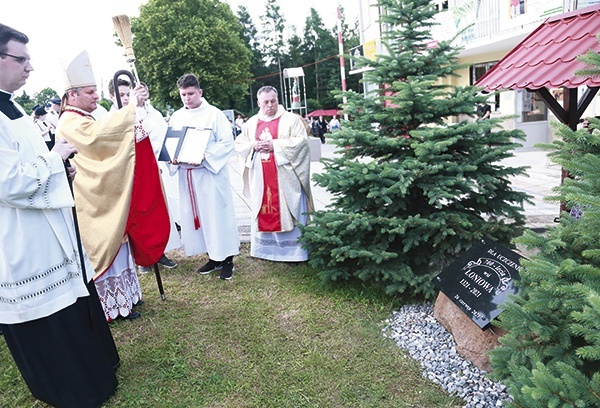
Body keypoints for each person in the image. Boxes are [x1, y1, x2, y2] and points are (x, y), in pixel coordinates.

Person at [0, 23, 119, 407]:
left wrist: (58, 167)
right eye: (22, 59)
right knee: (49, 318)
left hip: (47, 224)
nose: (30, 68)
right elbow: (8, 182)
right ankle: (69, 390)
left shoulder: (12, 104)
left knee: (69, 306)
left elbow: (30, 160)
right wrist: (56, 159)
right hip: (21, 237)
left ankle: (93, 374)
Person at [56, 51, 170, 321]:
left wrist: (133, 113)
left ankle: (127, 299)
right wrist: (131, 110)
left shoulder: (82, 117)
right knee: (108, 246)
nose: (96, 96)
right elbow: (99, 140)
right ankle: (113, 306)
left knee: (119, 245)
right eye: (90, 92)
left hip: (103, 194)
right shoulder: (70, 121)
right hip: (93, 199)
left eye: (96, 91)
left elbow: (107, 136)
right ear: (72, 95)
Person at [168, 73, 239, 280]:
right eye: (183, 94)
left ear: (200, 92)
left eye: (191, 94)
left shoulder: (214, 114)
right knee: (200, 219)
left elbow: (227, 143)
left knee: (217, 217)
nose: (187, 98)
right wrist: (171, 157)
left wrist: (204, 156)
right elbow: (172, 142)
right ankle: (213, 257)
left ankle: (227, 260)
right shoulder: (178, 116)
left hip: (209, 174)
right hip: (188, 176)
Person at [107, 78, 179, 273]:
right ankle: (142, 258)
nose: (125, 98)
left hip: (152, 169)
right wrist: (135, 107)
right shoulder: (110, 119)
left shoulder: (144, 111)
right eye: (120, 95)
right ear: (111, 97)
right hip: (130, 176)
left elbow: (158, 134)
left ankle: (159, 252)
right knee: (138, 217)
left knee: (157, 210)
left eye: (127, 94)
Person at [235, 85, 314, 262]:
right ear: (258, 103)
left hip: (284, 177)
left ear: (278, 100)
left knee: (287, 208)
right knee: (264, 206)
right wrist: (253, 146)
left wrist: (275, 146)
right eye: (265, 102)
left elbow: (301, 143)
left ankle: (294, 253)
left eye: (273, 101)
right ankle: (265, 251)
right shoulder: (251, 123)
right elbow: (240, 144)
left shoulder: (291, 120)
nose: (270, 105)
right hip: (261, 176)